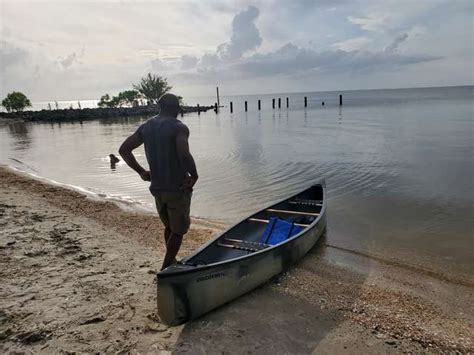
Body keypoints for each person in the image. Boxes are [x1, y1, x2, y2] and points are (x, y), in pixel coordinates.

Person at [119, 93, 198, 270]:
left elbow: (124, 150)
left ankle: (172, 259)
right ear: (176, 108)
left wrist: (141, 172)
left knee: (169, 227)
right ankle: (166, 266)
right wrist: (194, 175)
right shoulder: (179, 127)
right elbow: (184, 154)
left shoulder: (147, 127)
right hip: (177, 187)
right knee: (178, 230)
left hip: (157, 188)